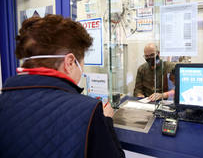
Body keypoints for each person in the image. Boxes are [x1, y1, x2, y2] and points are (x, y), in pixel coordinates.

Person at [0, 15, 125, 158]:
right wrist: (107, 122)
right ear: (70, 62)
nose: (82, 71)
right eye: (82, 63)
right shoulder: (89, 111)